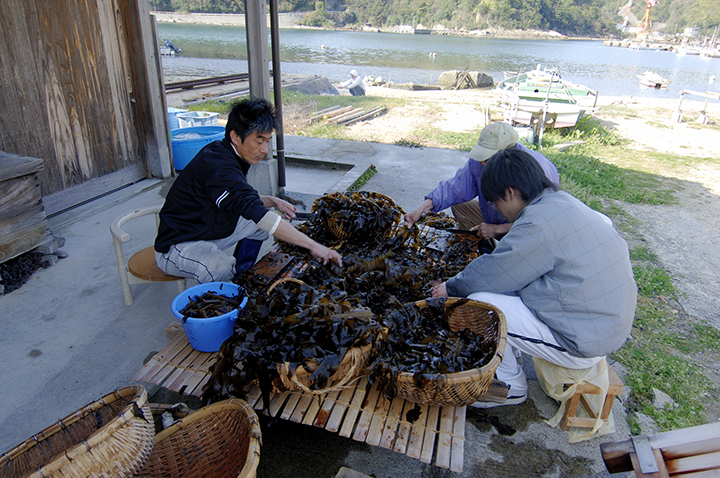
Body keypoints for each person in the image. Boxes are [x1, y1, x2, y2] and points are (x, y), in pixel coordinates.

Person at [431, 148, 637, 407]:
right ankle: (508, 353)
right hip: (604, 322)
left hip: (584, 340)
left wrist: (450, 287)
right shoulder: (561, 202)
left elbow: (494, 271)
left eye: (495, 202)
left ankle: (511, 387)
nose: (496, 209)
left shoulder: (537, 223)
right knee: (509, 287)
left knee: (480, 302)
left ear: (510, 193)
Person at [154, 98, 342, 284]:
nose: (265, 150)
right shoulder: (219, 167)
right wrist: (314, 246)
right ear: (235, 137)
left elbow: (241, 199)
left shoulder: (226, 151)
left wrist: (272, 201)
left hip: (209, 228)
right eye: (259, 141)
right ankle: (224, 294)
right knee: (219, 267)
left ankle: (241, 276)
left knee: (259, 225)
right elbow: (256, 211)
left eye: (267, 141)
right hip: (179, 244)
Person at [404, 122, 559, 241]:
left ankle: (499, 247)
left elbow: (542, 220)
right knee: (459, 206)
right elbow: (455, 188)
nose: (482, 163)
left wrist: (497, 230)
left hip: (526, 230)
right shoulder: (479, 163)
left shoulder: (536, 170)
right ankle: (484, 244)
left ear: (507, 151)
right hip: (494, 217)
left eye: (487, 158)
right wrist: (421, 209)